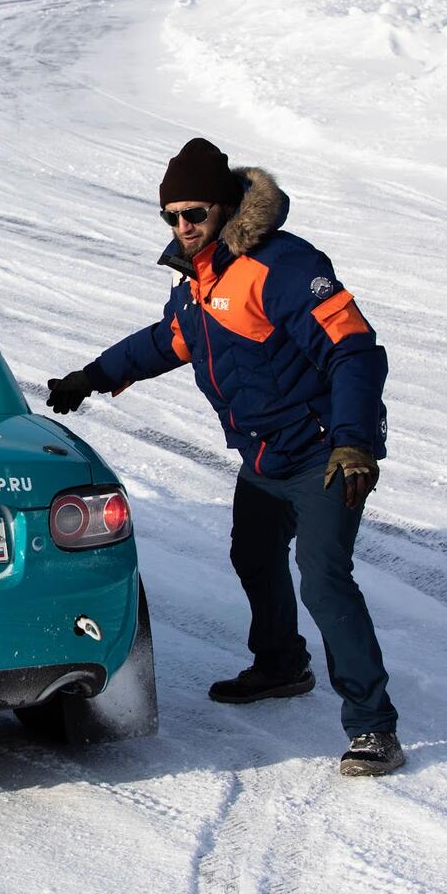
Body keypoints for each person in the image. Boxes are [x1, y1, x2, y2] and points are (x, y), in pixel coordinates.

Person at [46, 137, 404, 777]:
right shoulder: (199, 281)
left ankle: (374, 726)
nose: (183, 227)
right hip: (263, 456)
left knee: (323, 578)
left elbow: (355, 350)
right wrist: (92, 376)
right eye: (171, 216)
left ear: (228, 205)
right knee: (253, 552)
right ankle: (281, 666)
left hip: (325, 452)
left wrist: (353, 441)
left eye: (195, 213)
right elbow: (169, 340)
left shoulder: (282, 267)